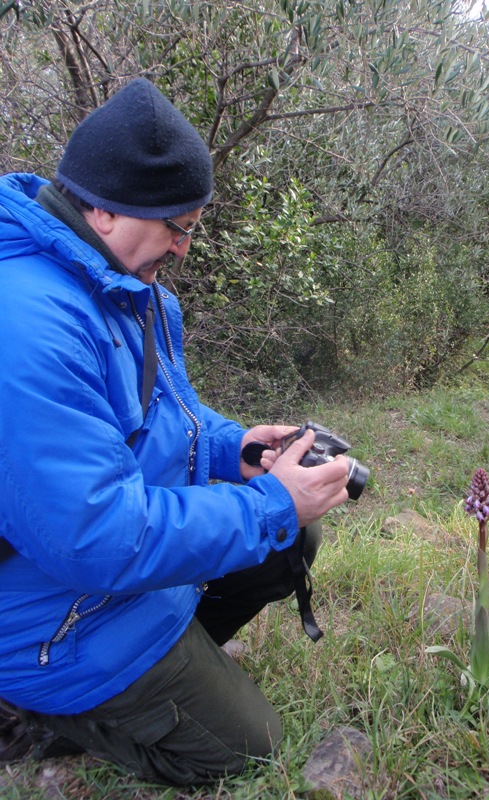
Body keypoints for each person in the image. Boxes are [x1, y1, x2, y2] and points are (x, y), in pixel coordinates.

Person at [0, 78, 349, 786]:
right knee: (254, 750)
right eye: (177, 225)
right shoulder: (30, 328)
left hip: (105, 583)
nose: (185, 248)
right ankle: (46, 718)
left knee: (290, 543)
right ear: (104, 209)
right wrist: (270, 503)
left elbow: (166, 417)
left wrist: (233, 448)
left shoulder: (123, 285)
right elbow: (94, 537)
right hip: (52, 623)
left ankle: (167, 666)